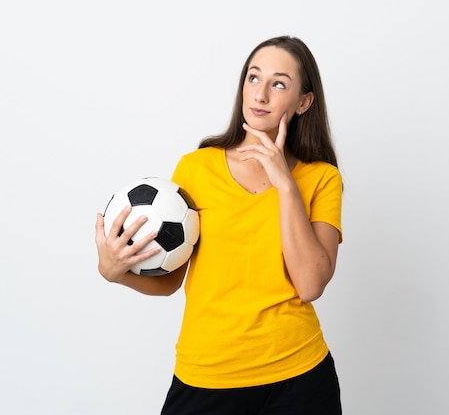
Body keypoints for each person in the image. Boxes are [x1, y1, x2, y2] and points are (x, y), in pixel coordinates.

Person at [95, 35, 343, 415]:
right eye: (253, 78)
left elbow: (310, 285)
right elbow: (170, 281)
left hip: (300, 375)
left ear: (304, 102)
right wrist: (117, 273)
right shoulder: (196, 167)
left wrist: (285, 184)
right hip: (207, 374)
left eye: (279, 84)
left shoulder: (322, 178)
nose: (260, 94)